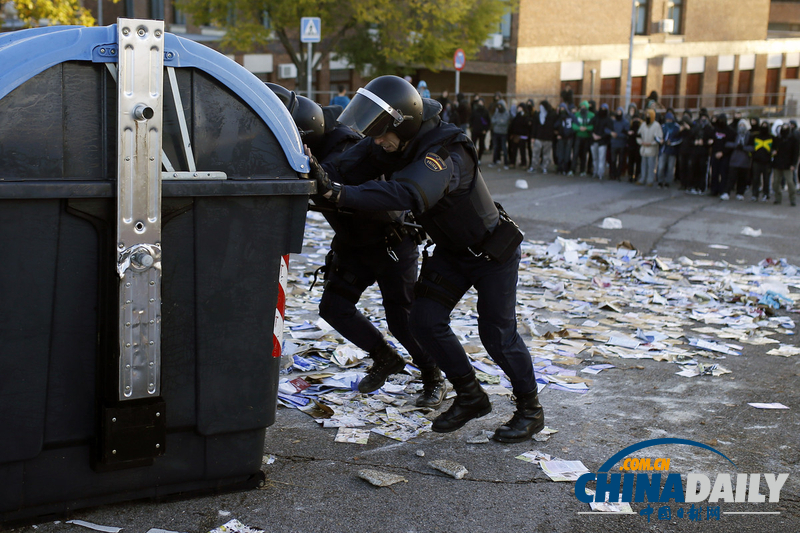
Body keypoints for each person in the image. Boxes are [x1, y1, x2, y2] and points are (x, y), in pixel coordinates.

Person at [308, 75, 545, 443]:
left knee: (497, 334)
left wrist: (337, 194)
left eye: (382, 133)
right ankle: (470, 396)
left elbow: (406, 192)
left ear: (403, 123)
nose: (377, 141)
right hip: (452, 252)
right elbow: (344, 170)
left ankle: (530, 411)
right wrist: (312, 176)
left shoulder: (446, 152)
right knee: (423, 320)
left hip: (491, 253)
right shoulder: (393, 142)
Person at [268, 86, 447, 408]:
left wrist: (315, 178)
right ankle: (384, 357)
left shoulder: (347, 146)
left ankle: (434, 375)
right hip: (352, 243)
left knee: (402, 319)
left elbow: (338, 178)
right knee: (334, 308)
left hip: (389, 242)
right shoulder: (317, 147)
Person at [686, 109, 714, 194]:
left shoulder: (709, 128)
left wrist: (704, 142)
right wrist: (694, 142)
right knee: (693, 168)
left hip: (704, 152)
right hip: (695, 151)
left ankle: (701, 187)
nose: (703, 119)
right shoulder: (696, 126)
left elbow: (711, 141)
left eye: (705, 117)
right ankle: (693, 186)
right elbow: (690, 138)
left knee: (702, 170)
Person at [708, 114, 735, 198]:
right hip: (715, 154)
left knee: (723, 173)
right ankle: (714, 190)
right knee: (714, 173)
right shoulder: (714, 130)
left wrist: (723, 152)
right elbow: (710, 139)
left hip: (724, 155)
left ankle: (723, 190)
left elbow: (731, 145)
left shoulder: (730, 131)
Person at [772, 122, 798, 206]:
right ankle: (778, 198)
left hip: (788, 165)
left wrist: (793, 164)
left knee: (790, 182)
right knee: (776, 182)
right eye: (783, 127)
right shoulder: (777, 138)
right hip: (778, 163)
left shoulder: (793, 139)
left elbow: (795, 153)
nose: (784, 128)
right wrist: (773, 151)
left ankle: (792, 199)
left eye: (786, 127)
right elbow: (773, 147)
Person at [727, 119, 752, 200]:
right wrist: (735, 145)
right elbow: (727, 143)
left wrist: (744, 148)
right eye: (740, 125)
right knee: (731, 177)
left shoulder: (749, 135)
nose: (741, 127)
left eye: (743, 125)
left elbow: (753, 147)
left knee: (742, 178)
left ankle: (740, 193)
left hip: (744, 160)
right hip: (734, 159)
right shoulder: (734, 134)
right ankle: (727, 192)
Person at [748, 122, 774, 202]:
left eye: (766, 126)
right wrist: (752, 155)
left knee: (766, 179)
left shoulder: (772, 137)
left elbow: (775, 149)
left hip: (767, 162)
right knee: (755, 179)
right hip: (756, 161)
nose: (764, 127)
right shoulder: (755, 137)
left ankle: (766, 194)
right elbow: (750, 147)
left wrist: (771, 156)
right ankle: (755, 195)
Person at [637, 108, 662, 186]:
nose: (647, 116)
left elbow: (659, 138)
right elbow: (638, 135)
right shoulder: (643, 125)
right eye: (646, 115)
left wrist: (651, 143)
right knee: (643, 165)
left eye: (649, 115)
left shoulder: (656, 125)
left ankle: (650, 180)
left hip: (651, 149)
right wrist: (641, 142)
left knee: (651, 165)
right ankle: (642, 178)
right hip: (644, 149)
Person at [530, 100, 556, 173]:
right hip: (538, 137)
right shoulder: (537, 115)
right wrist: (533, 137)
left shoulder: (551, 115)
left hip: (548, 138)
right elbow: (534, 127)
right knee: (536, 153)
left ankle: (545, 167)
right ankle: (533, 166)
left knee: (546, 154)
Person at [656, 112, 681, 188]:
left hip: (672, 151)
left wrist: (672, 142)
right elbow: (657, 136)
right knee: (661, 167)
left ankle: (668, 182)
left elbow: (680, 138)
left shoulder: (676, 127)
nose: (668, 121)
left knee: (670, 167)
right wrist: (660, 140)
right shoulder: (663, 126)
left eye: (670, 119)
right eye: (667, 119)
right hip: (663, 149)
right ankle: (660, 181)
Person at [589, 103, 613, 180]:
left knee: (601, 158)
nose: (603, 110)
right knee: (595, 158)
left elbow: (609, 131)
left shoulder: (608, 120)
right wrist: (593, 135)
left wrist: (601, 136)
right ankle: (595, 172)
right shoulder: (595, 118)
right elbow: (589, 126)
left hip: (603, 142)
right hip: (593, 140)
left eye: (604, 109)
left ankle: (600, 173)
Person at [572, 100, 594, 176]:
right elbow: (573, 125)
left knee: (584, 154)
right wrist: (579, 128)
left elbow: (593, 126)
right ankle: (573, 169)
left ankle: (582, 170)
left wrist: (586, 128)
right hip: (578, 136)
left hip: (586, 137)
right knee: (575, 153)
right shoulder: (577, 114)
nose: (583, 108)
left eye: (584, 107)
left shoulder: (591, 115)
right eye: (581, 107)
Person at [489, 98, 511, 168]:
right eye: (498, 106)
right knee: (495, 147)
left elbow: (505, 122)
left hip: (503, 133)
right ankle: (495, 161)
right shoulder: (497, 112)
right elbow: (493, 120)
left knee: (504, 148)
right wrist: (499, 121)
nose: (499, 107)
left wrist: (499, 121)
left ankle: (506, 163)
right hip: (496, 132)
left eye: (500, 106)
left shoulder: (506, 113)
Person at [508, 103, 531, 169]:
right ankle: (513, 162)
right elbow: (513, 125)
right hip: (516, 136)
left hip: (522, 136)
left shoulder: (525, 117)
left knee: (522, 151)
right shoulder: (516, 116)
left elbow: (526, 125)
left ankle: (523, 163)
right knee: (514, 150)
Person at [554, 103, 575, 175]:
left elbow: (574, 126)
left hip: (568, 137)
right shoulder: (560, 117)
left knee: (567, 154)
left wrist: (570, 134)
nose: (561, 110)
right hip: (562, 137)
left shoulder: (570, 116)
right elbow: (555, 125)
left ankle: (565, 168)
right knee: (560, 153)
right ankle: (560, 168)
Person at [609, 106, 629, 181]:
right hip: (613, 143)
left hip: (621, 144)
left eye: (620, 112)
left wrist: (617, 135)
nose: (618, 114)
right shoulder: (613, 122)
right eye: (617, 112)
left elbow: (626, 133)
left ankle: (619, 174)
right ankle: (613, 174)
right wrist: (611, 133)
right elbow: (607, 129)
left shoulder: (626, 122)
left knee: (621, 160)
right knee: (613, 160)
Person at [626, 103, 642, 182]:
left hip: (638, 147)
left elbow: (641, 135)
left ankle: (637, 175)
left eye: (637, 119)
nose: (636, 121)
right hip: (631, 146)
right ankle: (630, 175)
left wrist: (634, 134)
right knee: (631, 162)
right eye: (634, 119)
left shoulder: (641, 127)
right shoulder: (631, 126)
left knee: (638, 162)